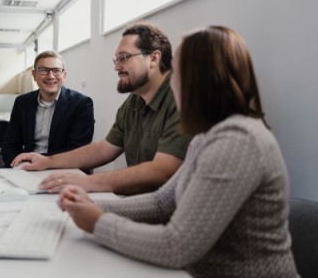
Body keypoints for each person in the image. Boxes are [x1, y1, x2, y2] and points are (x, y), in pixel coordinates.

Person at [57, 26, 299, 278]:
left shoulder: (238, 141)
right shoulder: (208, 136)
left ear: (200, 79)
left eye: (178, 72)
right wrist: (92, 205)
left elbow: (177, 246)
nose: (171, 80)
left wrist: (97, 222)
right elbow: (164, 202)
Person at [13, 21, 192, 195]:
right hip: (142, 199)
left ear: (154, 58)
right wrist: (48, 161)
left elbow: (163, 172)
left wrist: (87, 182)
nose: (116, 67)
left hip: (173, 209)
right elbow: (105, 149)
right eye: (116, 59)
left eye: (124, 58)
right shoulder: (134, 101)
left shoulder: (182, 96)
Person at [1, 50, 95, 167]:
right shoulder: (22, 102)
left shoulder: (81, 104)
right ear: (34, 75)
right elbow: (9, 145)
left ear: (64, 75)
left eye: (56, 71)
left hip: (63, 168)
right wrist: (19, 165)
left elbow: (77, 149)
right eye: (44, 70)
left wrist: (40, 162)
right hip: (27, 167)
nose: (50, 76)